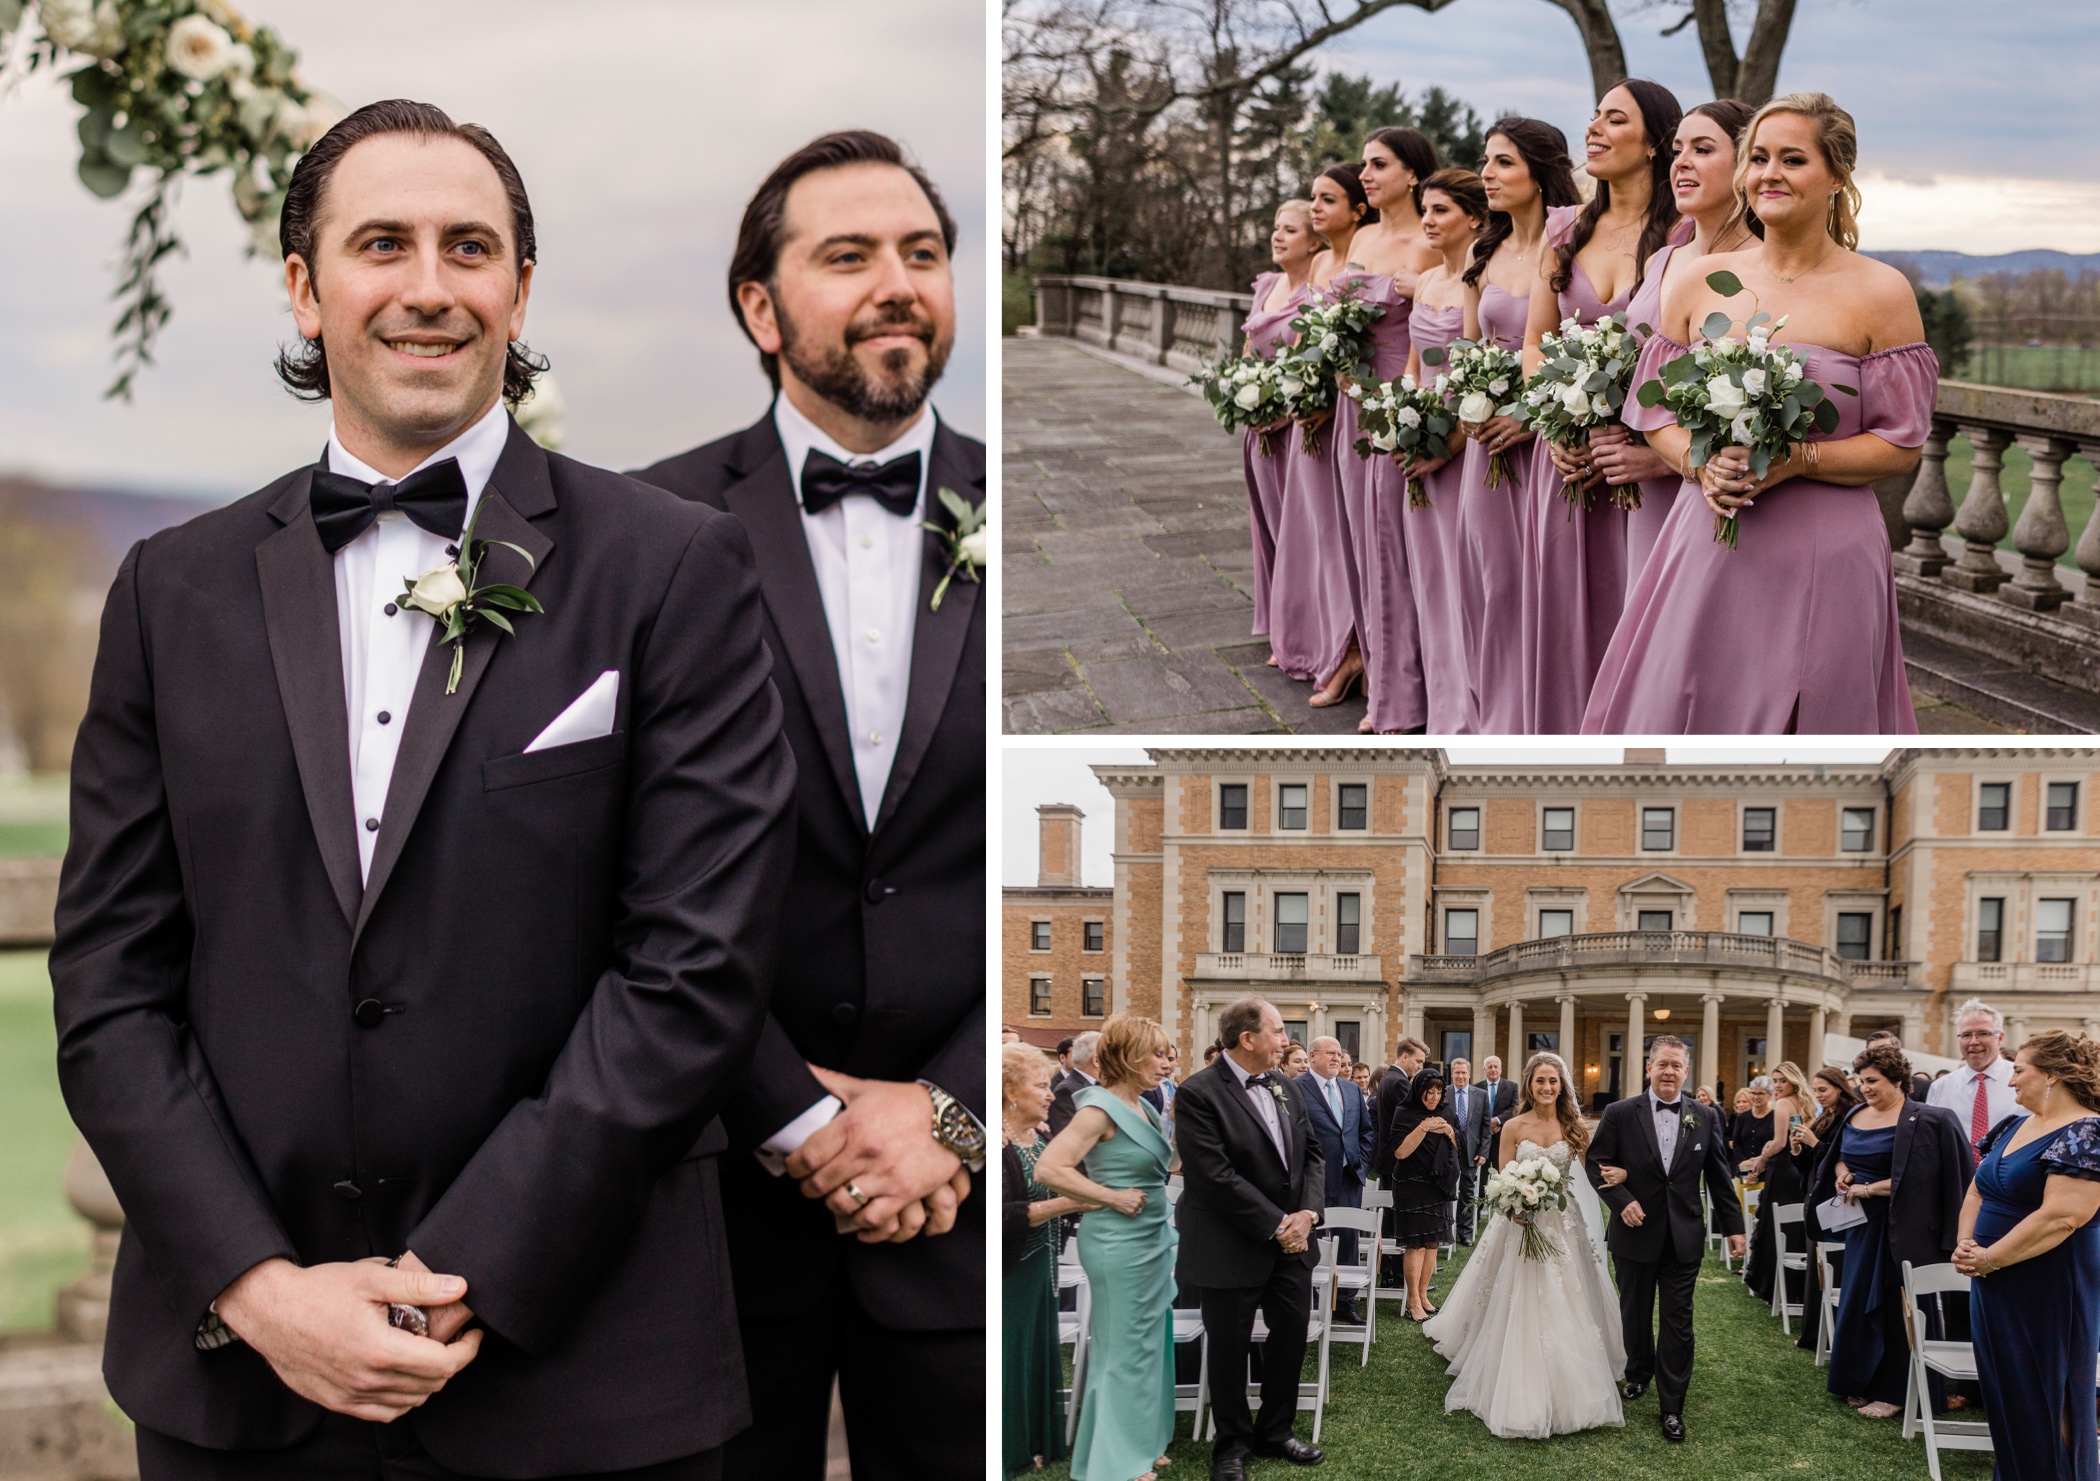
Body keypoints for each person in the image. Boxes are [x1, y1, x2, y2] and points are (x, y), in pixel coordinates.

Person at [48, 99, 800, 1478]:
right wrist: (261, 1290)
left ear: (519, 287)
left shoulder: (675, 568)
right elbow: (109, 984)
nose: (429, 286)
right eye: (381, 243)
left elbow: (694, 964)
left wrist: (453, 1272)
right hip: (246, 1391)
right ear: (304, 286)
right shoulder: (171, 590)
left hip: (585, 1373)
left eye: (471, 247)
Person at [633, 129, 984, 1480]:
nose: (897, 283)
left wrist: (943, 1112)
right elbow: (626, 867)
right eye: (849, 256)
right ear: (761, 308)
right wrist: (798, 1114)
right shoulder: (645, 531)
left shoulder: (1026, 518)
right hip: (715, 1206)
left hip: (967, 1221)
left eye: (923, 254)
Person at [1586, 92, 1934, 734]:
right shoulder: (1698, 281)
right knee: (1681, 713)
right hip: (1707, 535)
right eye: (1760, 158)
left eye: (1794, 159)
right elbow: (1654, 414)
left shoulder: (1881, 292)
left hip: (1826, 551)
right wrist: (1698, 463)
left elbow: (1902, 444)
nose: (1770, 173)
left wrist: (1796, 459)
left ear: (1836, 177)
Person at [1521, 78, 1682, 733]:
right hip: (1565, 461)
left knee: (1643, 619)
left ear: (1652, 146)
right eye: (1593, 116)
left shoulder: (1690, 234)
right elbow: (1534, 344)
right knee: (1564, 619)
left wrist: (1648, 443)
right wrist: (1556, 418)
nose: (1593, 128)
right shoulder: (1562, 229)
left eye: (1614, 119)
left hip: (1646, 465)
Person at [1590, 98, 1758, 596]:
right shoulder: (1662, 260)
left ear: (1747, 164)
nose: (1680, 162)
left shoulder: (1765, 268)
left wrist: (1663, 460)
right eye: (1678, 149)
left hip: (1716, 491)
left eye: (1702, 149)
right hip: (1641, 496)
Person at [1455, 117, 1582, 733]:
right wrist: (1474, 405)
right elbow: (1469, 349)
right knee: (1492, 587)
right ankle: (1496, 720)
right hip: (1487, 447)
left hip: (1550, 442)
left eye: (1503, 162)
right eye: (1486, 161)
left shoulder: (1571, 249)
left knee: (1541, 592)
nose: (1487, 174)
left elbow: (1581, 347)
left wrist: (1532, 419)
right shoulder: (1485, 252)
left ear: (1540, 173)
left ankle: (1543, 718)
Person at [1429, 1052, 1626, 1437]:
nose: (1547, 1087)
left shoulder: (1575, 1128)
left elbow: (1595, 1168)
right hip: (1519, 1223)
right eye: (1540, 1081)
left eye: (1553, 1081)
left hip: (1563, 1224)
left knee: (1568, 1293)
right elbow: (1501, 1177)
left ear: (1562, 1085)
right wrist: (1514, 1203)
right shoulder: (1514, 1126)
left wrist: (1623, 1173)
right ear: (1529, 1085)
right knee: (1514, 1293)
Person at [1171, 997, 1326, 1480]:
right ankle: (1232, 1443)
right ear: (1248, 1039)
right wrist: (1278, 1225)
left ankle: (1276, 1431)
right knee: (1229, 1346)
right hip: (1229, 1242)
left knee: (1290, 1338)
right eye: (1280, 1032)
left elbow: (1312, 1154)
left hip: (1293, 1245)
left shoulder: (1287, 1086)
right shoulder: (1197, 1093)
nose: (1286, 1041)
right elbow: (1213, 1176)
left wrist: (1307, 1214)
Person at [1035, 1016, 1178, 1481]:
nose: (1166, 1062)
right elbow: (1050, 1168)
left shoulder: (1147, 1107)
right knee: (1123, 1349)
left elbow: (1163, 1165)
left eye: (1166, 1053)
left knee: (1152, 1345)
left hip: (1154, 1237)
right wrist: (1110, 1197)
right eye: (1156, 1053)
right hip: (1118, 1242)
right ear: (1129, 1056)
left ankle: (1142, 1439)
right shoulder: (1096, 1109)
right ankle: (1115, 1460)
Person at [1954, 1030, 2100, 1480]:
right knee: (2007, 1393)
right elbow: (1979, 1188)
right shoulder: (2015, 1125)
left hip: (2049, 1285)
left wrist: (1990, 1258)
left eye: (2019, 1070)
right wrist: (1966, 1246)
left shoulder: (2087, 1131)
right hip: (1994, 1280)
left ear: (2052, 1075)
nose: (2011, 1081)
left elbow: (2063, 1217)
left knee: (2046, 1394)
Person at [1585, 1036, 1745, 1443]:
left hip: (1684, 1236)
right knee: (1635, 1315)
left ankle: (1672, 1407)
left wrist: (1735, 1228)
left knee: (1678, 1323)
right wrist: (1622, 1201)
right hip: (1634, 1233)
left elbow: (1719, 1177)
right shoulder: (1620, 1113)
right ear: (1649, 1068)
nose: (1669, 1072)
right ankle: (1638, 1373)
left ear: (1686, 1071)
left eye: (1676, 1065)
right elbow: (1596, 1163)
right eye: (1662, 1065)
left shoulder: (1705, 1116)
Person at [1337, 128, 1443, 730]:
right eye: (1364, 164)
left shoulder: (1429, 242)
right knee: (1358, 540)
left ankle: (1405, 693)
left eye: (1379, 164)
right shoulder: (1363, 235)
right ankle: (1370, 665)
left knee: (1396, 547)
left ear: (1412, 174)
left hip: (1399, 404)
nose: (1367, 174)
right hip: (1349, 406)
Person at [1380, 168, 1486, 733]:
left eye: (1441, 209)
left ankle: (1467, 717)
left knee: (1460, 584)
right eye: (1425, 209)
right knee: (1426, 582)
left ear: (1474, 216)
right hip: (1418, 437)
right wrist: (1399, 421)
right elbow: (1413, 369)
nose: (1428, 219)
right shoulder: (1425, 282)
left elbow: (1476, 378)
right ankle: (1436, 709)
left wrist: (1446, 446)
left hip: (1460, 446)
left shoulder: (1477, 281)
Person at [1811, 1043, 1970, 1418]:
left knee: (1900, 1313)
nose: (1865, 1087)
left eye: (1873, 1080)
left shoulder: (1934, 1119)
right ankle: (1859, 1380)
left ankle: (1897, 1393)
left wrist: (1867, 1189)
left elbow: (1932, 1180)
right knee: (1858, 1304)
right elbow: (1839, 1158)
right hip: (1862, 1229)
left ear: (1898, 1080)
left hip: (1909, 1231)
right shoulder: (1854, 1114)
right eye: (1862, 1080)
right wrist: (1843, 1177)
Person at [1266, 165, 1375, 698]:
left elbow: (1372, 342)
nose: (1314, 208)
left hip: (1350, 416)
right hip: (1309, 417)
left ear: (1358, 209)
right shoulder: (1320, 262)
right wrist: (1301, 392)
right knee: (1311, 536)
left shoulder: (1364, 256)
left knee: (1345, 538)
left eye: (1327, 199)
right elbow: (1308, 340)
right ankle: (1317, 639)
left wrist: (1333, 401)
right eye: (1312, 197)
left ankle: (1352, 650)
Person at [1002, 1045, 1093, 1476]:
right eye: (1040, 1086)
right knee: (1010, 1357)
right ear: (1008, 1091)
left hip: (1043, 1266)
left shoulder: (1038, 1137)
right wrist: (1068, 1202)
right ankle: (1009, 1447)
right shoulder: (995, 1145)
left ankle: (1038, 1440)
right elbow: (1003, 1215)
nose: (1050, 1094)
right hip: (1010, 1270)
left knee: (1038, 1350)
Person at [1243, 202, 1322, 649]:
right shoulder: (1268, 286)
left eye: (1289, 230)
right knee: (1267, 523)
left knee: (1300, 530)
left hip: (1297, 426)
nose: (1277, 236)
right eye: (1276, 228)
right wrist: (1243, 396)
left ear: (1314, 241)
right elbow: (1248, 353)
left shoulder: (1318, 292)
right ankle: (1278, 620)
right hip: (1260, 428)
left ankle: (1305, 628)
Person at [1296, 1036, 1373, 1320]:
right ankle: (1315, 1299)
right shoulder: (1296, 1089)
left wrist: (1361, 1165)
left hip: (1349, 1176)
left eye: (1339, 1054)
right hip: (1314, 1180)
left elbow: (1366, 1132)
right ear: (1312, 1055)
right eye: (1330, 1053)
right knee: (1314, 1238)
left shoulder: (1351, 1090)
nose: (1336, 1058)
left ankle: (1344, 1302)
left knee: (1349, 1239)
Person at [1788, 1064, 1861, 1355]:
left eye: (1823, 1090)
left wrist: (1815, 1142)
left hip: (1838, 1200)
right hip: (1815, 1195)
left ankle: (1833, 1335)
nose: (1818, 1096)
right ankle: (1813, 1333)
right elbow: (1810, 1164)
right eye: (1815, 1090)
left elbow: (1838, 1158)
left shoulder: (1850, 1116)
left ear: (1839, 1087)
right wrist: (1797, 1148)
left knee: (1832, 1266)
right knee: (1816, 1266)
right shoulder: (1824, 1116)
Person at [1387, 1073, 1460, 1321]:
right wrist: (1424, 1127)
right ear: (1418, 1091)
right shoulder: (1404, 1112)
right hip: (1411, 1186)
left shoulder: (1447, 1111)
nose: (1434, 1097)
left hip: (1439, 1185)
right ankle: (1412, 1302)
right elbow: (1400, 1151)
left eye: (1438, 1092)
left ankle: (1424, 1296)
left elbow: (1460, 1145)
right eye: (1429, 1091)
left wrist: (1449, 1131)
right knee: (1416, 1244)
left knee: (1432, 1244)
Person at [1743, 1060, 1814, 1304]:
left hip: (1782, 1168)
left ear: (1794, 1081)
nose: (1778, 1085)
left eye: (1783, 1080)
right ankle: (1794, 1287)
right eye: (1775, 1080)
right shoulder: (1806, 1103)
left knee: (1775, 1226)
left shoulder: (1783, 1103)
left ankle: (1772, 1284)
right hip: (1798, 1167)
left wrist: (1762, 1157)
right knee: (1794, 1227)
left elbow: (1780, 1142)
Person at [1928, 998, 2026, 1164]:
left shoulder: (2022, 1079)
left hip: (2009, 1178)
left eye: (1982, 1033)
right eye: (1966, 1035)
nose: (1973, 1042)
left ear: (2000, 1038)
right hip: (1957, 1181)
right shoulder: (1941, 1088)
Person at [1372, 1036, 1431, 1182]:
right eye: (1418, 1061)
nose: (1420, 1067)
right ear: (1405, 1056)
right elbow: (1419, 1116)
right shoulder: (1399, 1082)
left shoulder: (1389, 1078)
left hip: (1389, 1157)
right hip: (1398, 1160)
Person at [1444, 1057, 1483, 1242]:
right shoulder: (1443, 1093)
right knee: (1446, 1192)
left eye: (1463, 1072)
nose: (1460, 1076)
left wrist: (1483, 1152)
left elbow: (1485, 1127)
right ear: (1452, 1074)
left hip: (1471, 1153)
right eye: (1457, 1072)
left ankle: (1465, 1233)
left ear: (1469, 1074)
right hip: (1447, 1153)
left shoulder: (1480, 1095)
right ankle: (1445, 1231)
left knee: (1467, 1194)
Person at [1050, 1031, 1104, 1139]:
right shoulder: (1067, 1090)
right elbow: (1067, 1138)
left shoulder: (1102, 1086)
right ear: (1096, 1060)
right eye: (1110, 1055)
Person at [1731, 1075, 1775, 1177]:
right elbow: (1736, 1144)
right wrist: (1747, 1166)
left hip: (1767, 1173)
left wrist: (1759, 1165)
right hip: (1743, 1172)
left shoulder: (1775, 1118)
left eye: (1760, 1093)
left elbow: (1776, 1146)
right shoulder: (1742, 1117)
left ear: (1770, 1095)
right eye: (1753, 1093)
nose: (1756, 1097)